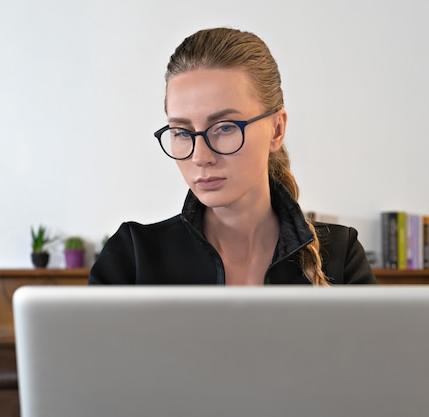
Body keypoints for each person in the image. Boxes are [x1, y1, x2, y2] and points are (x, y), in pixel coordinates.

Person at [89, 27, 376, 286]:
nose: (201, 157)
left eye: (224, 127)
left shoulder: (340, 254)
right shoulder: (133, 258)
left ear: (276, 129)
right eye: (181, 131)